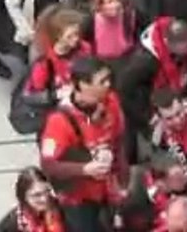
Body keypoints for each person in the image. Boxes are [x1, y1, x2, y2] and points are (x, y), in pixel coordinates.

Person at [38, 56, 127, 232]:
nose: (108, 84)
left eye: (109, 79)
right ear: (82, 85)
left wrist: (122, 180)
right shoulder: (58, 121)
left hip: (109, 189)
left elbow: (119, 139)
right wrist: (85, 169)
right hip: (78, 200)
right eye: (102, 81)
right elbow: (48, 165)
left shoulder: (112, 102)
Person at [0, 167, 66, 232]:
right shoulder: (10, 225)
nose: (45, 199)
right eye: (37, 195)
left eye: (47, 191)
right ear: (24, 197)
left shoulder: (63, 210)